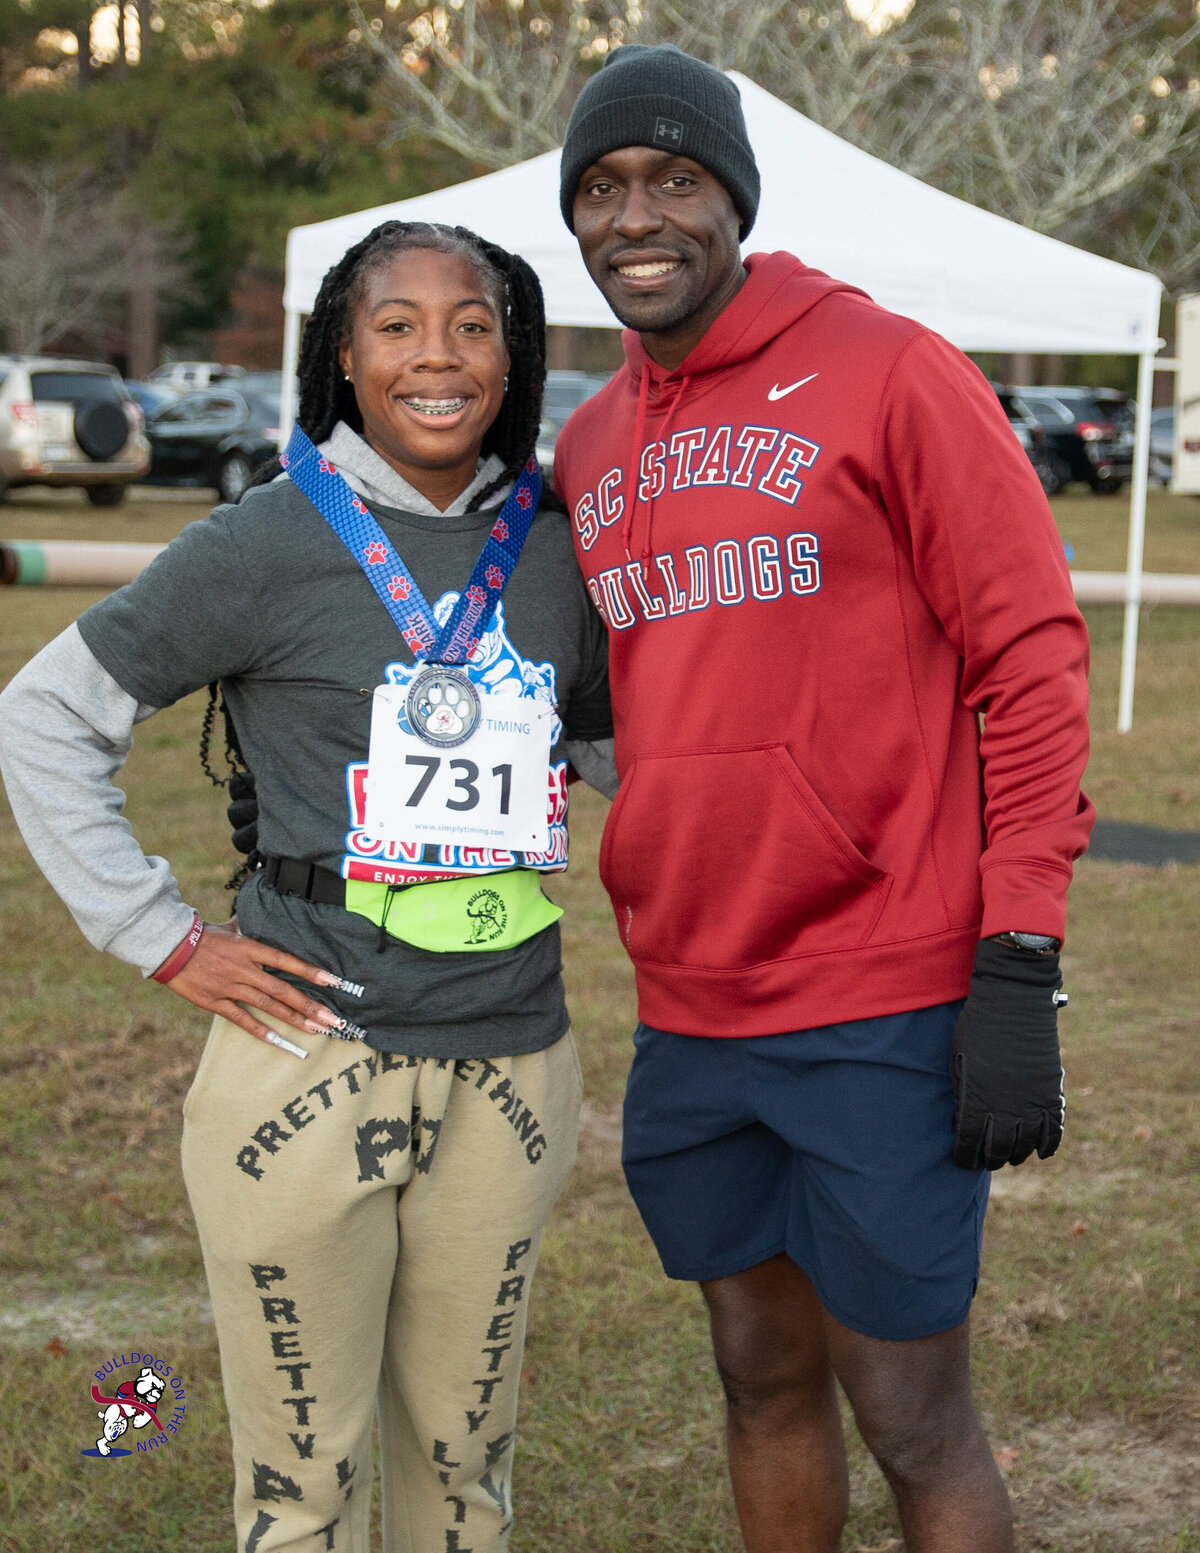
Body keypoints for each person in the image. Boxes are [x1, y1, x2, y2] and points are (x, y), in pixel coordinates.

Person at [552, 45, 1093, 1553]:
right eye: (601, 189)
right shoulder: (592, 441)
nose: (634, 216)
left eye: (670, 179)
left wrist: (1019, 956)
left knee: (915, 1411)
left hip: (881, 997)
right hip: (693, 997)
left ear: (734, 196)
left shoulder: (890, 370)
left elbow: (1033, 665)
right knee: (756, 1373)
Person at [0, 221, 611, 1553]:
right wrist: (159, 937)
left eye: (473, 322)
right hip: (304, 1053)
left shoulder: (562, 547)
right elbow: (41, 718)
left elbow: (637, 759)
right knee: (304, 1488)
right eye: (397, 325)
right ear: (344, 351)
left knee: (465, 1476)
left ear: (513, 354)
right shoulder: (263, 541)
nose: (436, 354)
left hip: (510, 1057)